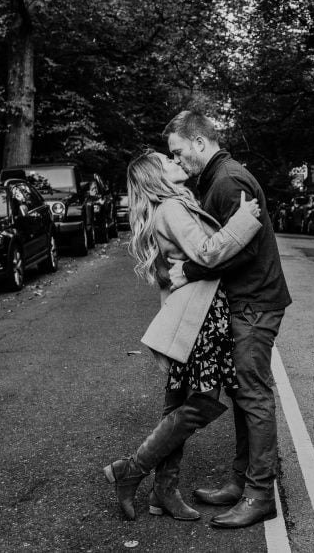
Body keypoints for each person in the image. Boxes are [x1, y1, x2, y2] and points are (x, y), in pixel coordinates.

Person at [102, 150, 263, 522]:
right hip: (199, 315)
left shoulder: (175, 204)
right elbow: (207, 254)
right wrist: (242, 222)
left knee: (177, 403)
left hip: (192, 312)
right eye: (169, 161)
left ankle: (164, 491)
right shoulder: (172, 210)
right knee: (204, 400)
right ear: (158, 175)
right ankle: (132, 468)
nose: (177, 162)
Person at [164, 110, 292, 529]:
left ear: (199, 142)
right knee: (241, 393)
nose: (178, 162)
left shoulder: (228, 181)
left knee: (253, 395)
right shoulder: (217, 179)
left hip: (254, 302)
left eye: (179, 152)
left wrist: (190, 271)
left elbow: (243, 250)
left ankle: (260, 495)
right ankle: (240, 482)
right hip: (246, 301)